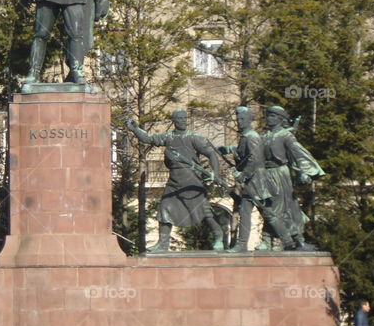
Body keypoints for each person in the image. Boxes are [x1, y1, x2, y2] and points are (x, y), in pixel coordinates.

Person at [126, 109, 224, 252]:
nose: (183, 120)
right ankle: (163, 243)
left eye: (185, 118)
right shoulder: (168, 137)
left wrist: (215, 174)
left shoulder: (193, 137)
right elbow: (148, 138)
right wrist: (135, 129)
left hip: (191, 181)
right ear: (174, 120)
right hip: (174, 181)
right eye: (180, 118)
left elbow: (211, 154)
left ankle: (219, 236)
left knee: (204, 212)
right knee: (165, 208)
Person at [218, 106, 296, 252]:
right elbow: (243, 153)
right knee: (247, 212)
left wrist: (242, 175)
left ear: (249, 120)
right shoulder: (246, 137)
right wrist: (228, 150)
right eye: (238, 119)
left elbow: (255, 159)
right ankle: (242, 244)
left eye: (242, 119)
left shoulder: (252, 136)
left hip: (257, 181)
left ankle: (288, 242)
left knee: (268, 214)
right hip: (252, 181)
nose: (239, 122)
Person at [260, 105, 325, 250]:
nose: (269, 118)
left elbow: (297, 152)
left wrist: (304, 171)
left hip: (280, 174)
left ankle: (288, 240)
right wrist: (229, 149)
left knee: (281, 209)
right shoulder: (265, 136)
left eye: (272, 116)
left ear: (280, 119)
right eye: (268, 115)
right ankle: (270, 240)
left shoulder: (285, 135)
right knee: (267, 207)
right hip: (266, 175)